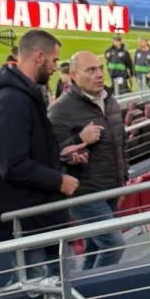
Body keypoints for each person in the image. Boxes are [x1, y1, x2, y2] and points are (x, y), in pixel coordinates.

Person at [0, 29, 79, 274]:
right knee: (51, 288)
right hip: (27, 223)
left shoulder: (23, 95)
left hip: (37, 219)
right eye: (54, 60)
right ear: (39, 57)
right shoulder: (11, 100)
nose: (55, 67)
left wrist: (60, 156)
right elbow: (11, 164)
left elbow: (27, 150)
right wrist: (58, 180)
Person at [49, 51, 128, 271]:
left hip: (111, 188)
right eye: (91, 70)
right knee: (114, 244)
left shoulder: (110, 100)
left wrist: (123, 180)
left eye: (100, 68)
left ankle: (85, 286)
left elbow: (121, 144)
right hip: (83, 193)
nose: (99, 74)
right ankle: (98, 288)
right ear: (74, 75)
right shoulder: (60, 110)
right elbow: (51, 154)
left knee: (95, 247)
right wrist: (78, 140)